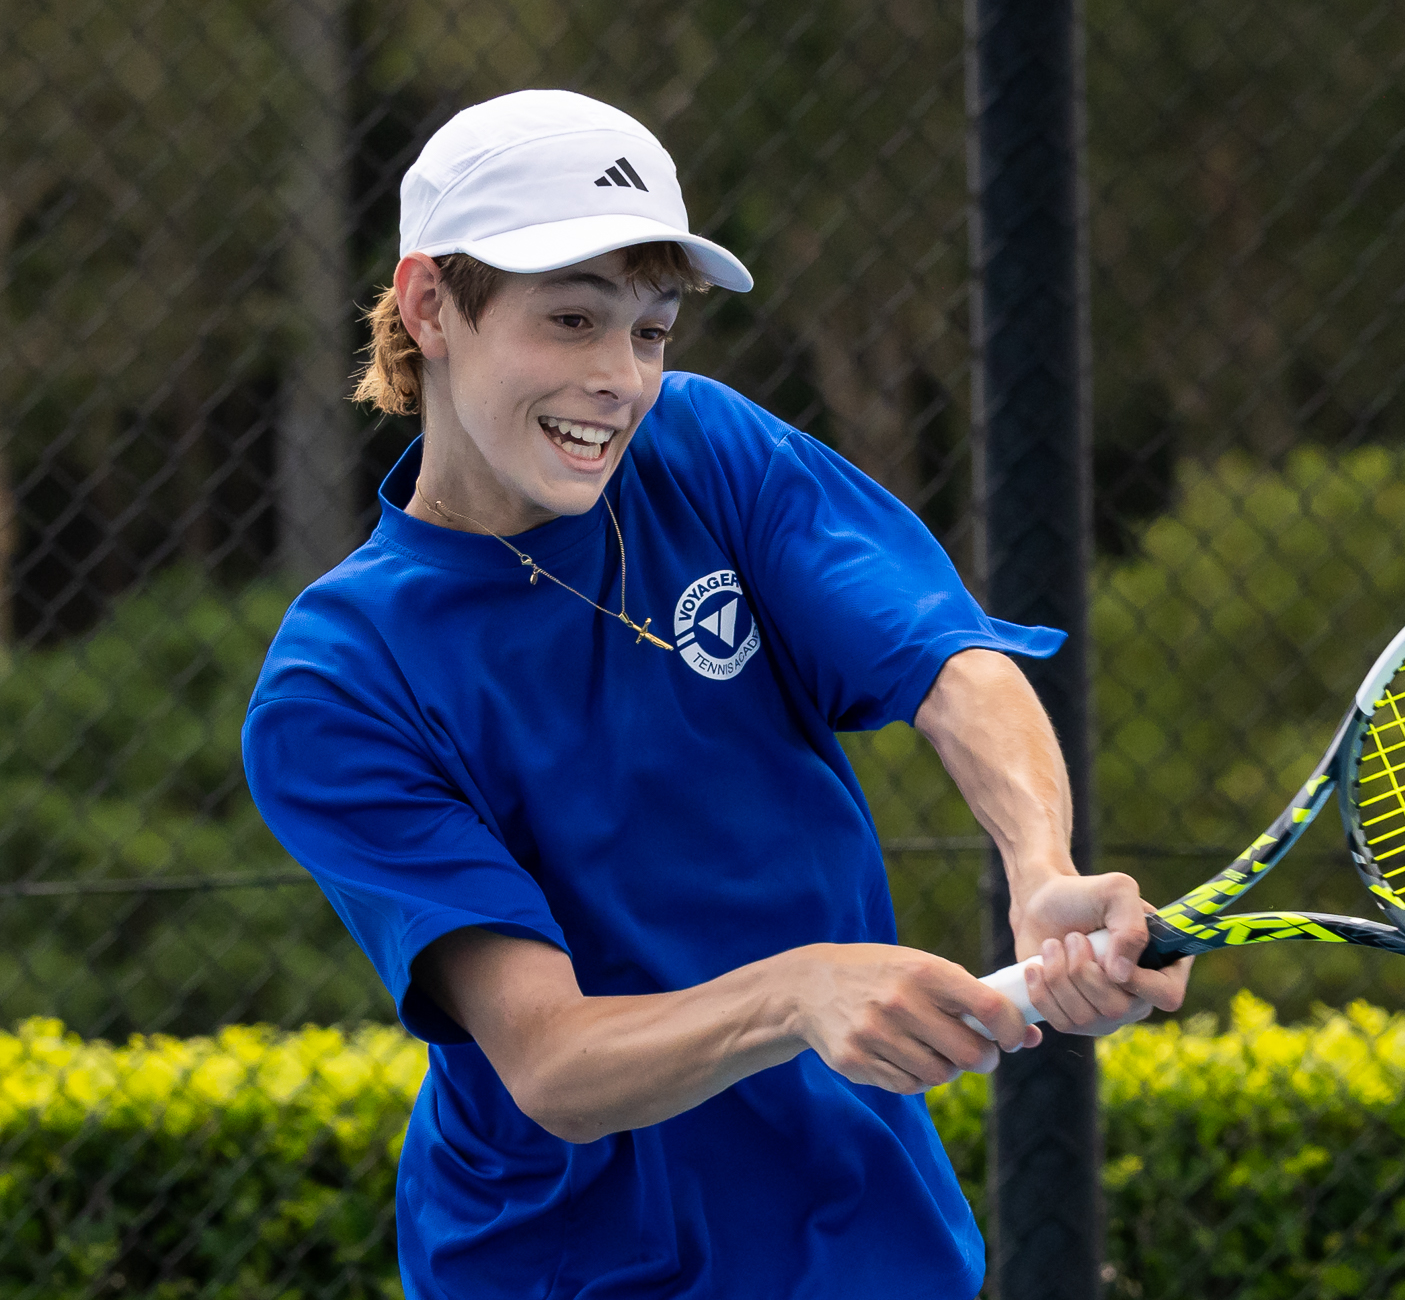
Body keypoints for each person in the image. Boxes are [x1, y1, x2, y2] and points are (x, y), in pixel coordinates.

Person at [242, 89, 1189, 1299]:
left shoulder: (704, 448)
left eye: (650, 330)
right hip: (562, 1271)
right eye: (571, 320)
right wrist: (799, 991)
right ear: (429, 305)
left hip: (867, 1240)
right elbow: (551, 1062)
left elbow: (951, 665)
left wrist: (1040, 867)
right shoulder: (336, 682)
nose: (617, 379)